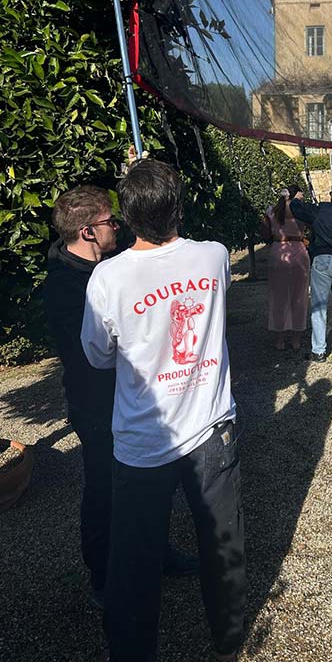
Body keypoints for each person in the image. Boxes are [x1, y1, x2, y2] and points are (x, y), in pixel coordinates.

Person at [81, 159, 245, 661]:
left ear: (126, 216)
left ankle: (133, 652)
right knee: (223, 545)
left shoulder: (107, 279)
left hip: (142, 440)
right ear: (179, 206)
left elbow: (97, 354)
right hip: (210, 430)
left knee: (134, 561)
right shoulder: (214, 256)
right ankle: (230, 637)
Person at [43, 185, 197, 609]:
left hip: (134, 399)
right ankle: (103, 576)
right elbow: (92, 354)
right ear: (88, 232)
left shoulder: (108, 265)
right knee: (104, 490)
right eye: (111, 221)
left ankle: (157, 553)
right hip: (97, 406)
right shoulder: (64, 287)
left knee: (153, 481)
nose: (118, 226)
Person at [290, 183, 332, 362]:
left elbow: (298, 210)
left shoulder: (323, 209)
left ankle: (319, 350)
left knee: (319, 306)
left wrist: (296, 199)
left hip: (324, 257)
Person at [260, 185, 310, 352]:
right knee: (299, 297)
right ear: (295, 195)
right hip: (299, 251)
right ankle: (296, 340)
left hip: (278, 251)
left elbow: (264, 233)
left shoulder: (271, 211)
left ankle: (279, 339)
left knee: (278, 297)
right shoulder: (301, 211)